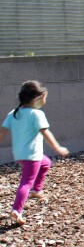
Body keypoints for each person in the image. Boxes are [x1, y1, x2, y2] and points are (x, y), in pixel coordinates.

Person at [0, 81, 69, 226]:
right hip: (33, 155)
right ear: (37, 98)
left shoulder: (13, 113)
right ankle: (16, 210)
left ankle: (37, 190)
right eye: (45, 97)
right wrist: (57, 148)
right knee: (25, 183)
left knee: (46, 163)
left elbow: (2, 132)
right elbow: (46, 133)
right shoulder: (37, 114)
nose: (45, 100)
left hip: (20, 154)